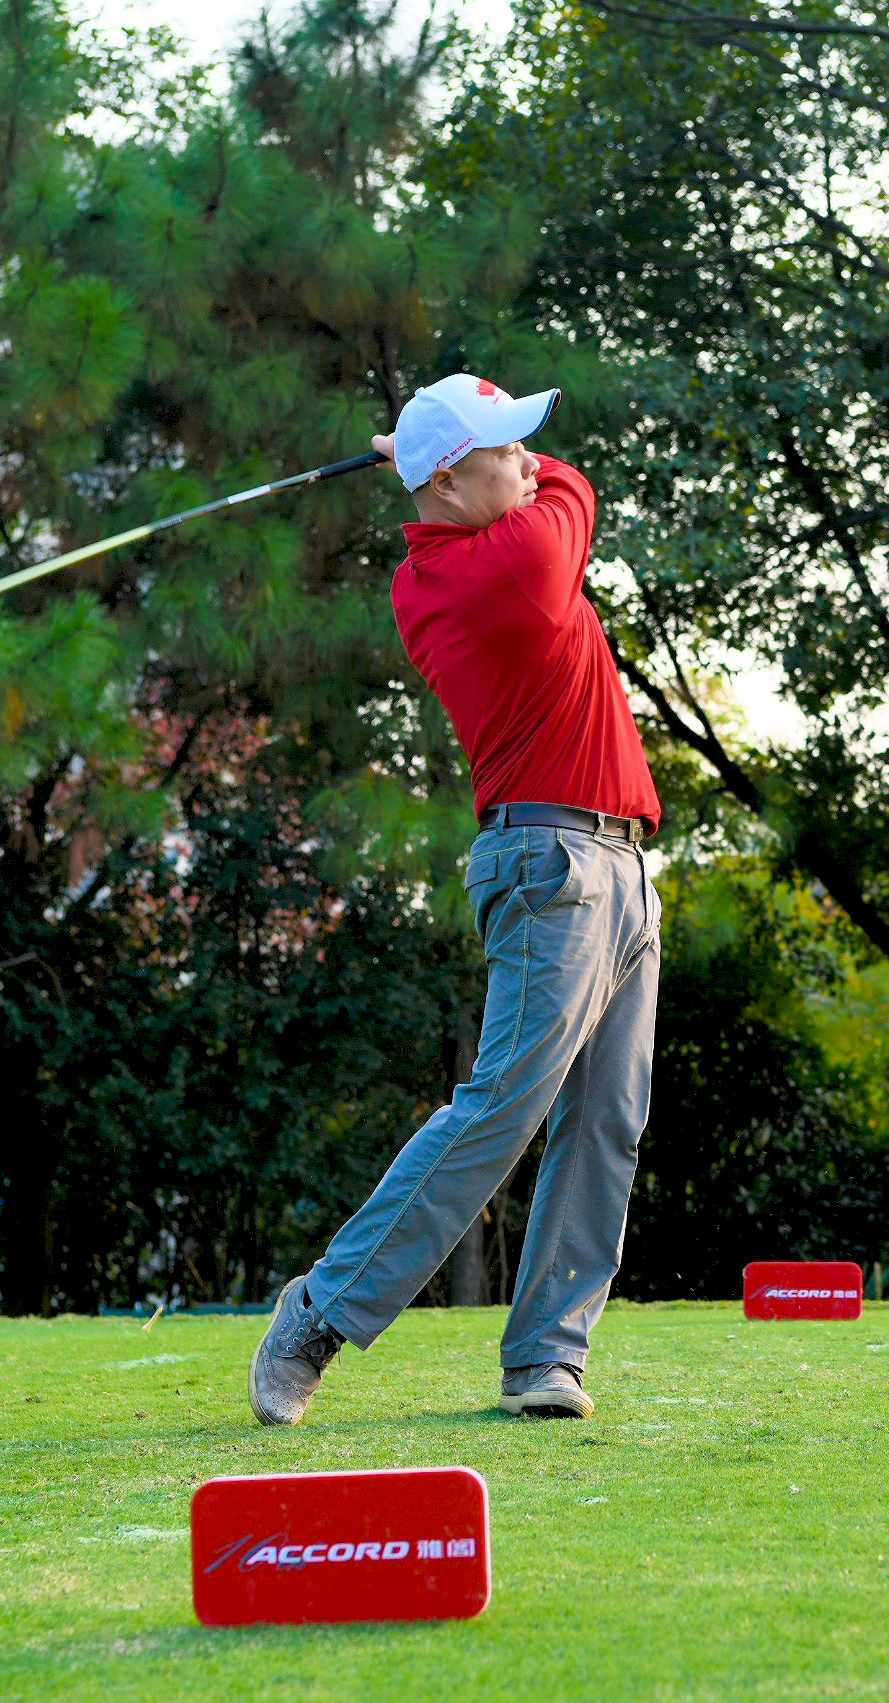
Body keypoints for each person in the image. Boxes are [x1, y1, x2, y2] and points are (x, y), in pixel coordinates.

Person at [249, 373, 663, 1425]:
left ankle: (546, 1358)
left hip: (617, 863)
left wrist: (440, 452)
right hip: (550, 864)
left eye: (523, 446)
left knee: (605, 1123)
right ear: (445, 481)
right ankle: (318, 1314)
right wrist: (434, 453)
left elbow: (529, 480)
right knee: (502, 1109)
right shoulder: (505, 564)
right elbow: (575, 486)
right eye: (503, 451)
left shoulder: (465, 548)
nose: (527, 463)